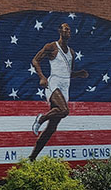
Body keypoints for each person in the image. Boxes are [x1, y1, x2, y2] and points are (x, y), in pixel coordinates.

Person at [28, 23, 88, 161]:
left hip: (65, 86)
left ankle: (32, 158)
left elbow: (68, 73)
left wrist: (79, 74)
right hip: (53, 83)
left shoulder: (71, 52)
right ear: (60, 31)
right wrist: (42, 77)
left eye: (69, 30)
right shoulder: (52, 46)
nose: (67, 31)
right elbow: (35, 60)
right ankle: (41, 118)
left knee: (51, 128)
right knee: (64, 110)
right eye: (65, 29)